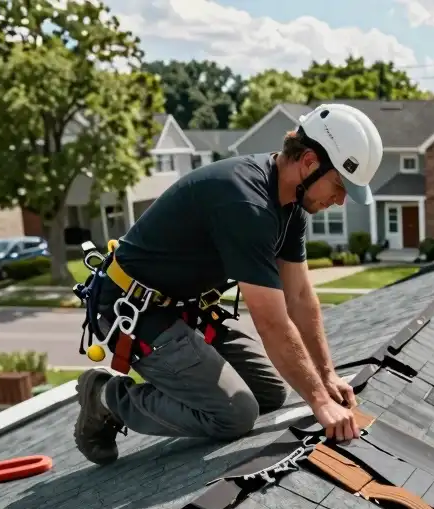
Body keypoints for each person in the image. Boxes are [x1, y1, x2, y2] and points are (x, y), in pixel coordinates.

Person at [73, 103, 384, 465]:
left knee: (269, 394)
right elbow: (271, 321)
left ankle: (186, 379)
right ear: (311, 162)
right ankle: (108, 397)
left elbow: (299, 296)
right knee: (235, 414)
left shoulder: (291, 206)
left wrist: (326, 377)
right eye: (340, 185)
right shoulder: (246, 203)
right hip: (136, 311)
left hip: (183, 308)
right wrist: (319, 402)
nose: (341, 200)